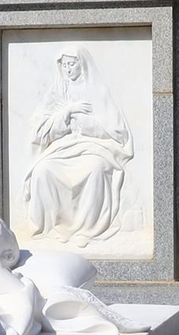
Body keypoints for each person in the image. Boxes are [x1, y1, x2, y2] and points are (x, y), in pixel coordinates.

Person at [22, 45, 134, 246]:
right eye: (64, 65)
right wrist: (67, 113)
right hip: (64, 146)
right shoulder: (58, 90)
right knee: (42, 171)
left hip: (94, 145)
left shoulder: (97, 90)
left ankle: (87, 229)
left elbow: (115, 129)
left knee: (95, 170)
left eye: (71, 64)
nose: (68, 69)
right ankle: (52, 227)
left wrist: (84, 123)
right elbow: (39, 128)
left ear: (81, 65)